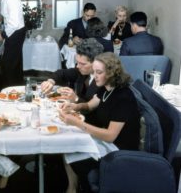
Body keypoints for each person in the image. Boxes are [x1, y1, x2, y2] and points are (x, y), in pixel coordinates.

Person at [59, 52, 140, 193]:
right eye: (94, 71)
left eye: (99, 72)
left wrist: (77, 123)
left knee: (74, 154)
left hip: (119, 150)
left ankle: (81, 188)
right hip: (108, 143)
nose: (94, 76)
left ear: (111, 73)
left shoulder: (123, 97)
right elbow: (90, 105)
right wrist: (75, 106)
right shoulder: (105, 88)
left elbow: (110, 136)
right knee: (67, 146)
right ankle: (73, 188)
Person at [41, 38, 104, 104]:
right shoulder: (81, 71)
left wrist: (76, 99)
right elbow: (61, 73)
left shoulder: (102, 81)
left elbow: (93, 110)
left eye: (82, 64)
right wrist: (50, 82)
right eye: (77, 62)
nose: (77, 66)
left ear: (96, 62)